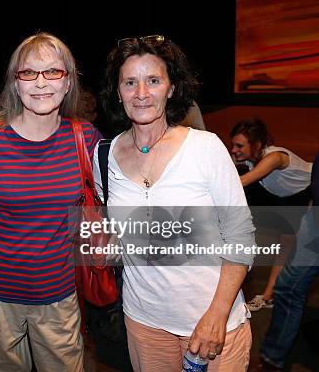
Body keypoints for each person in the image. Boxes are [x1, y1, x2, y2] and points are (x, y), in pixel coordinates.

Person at [97, 34, 255, 371]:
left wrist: (217, 315)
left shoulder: (205, 148)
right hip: (143, 324)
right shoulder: (104, 156)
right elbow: (117, 234)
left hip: (215, 322)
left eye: (153, 80)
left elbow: (241, 236)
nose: (141, 93)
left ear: (170, 88)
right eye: (130, 82)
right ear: (118, 91)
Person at [0, 32, 100, 372]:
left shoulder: (84, 138)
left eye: (53, 72)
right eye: (29, 73)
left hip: (59, 295)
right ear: (15, 82)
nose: (41, 83)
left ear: (68, 82)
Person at [230, 118, 313, 311]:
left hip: (312, 191)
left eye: (239, 145)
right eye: (233, 144)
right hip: (293, 199)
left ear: (257, 144)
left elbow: (243, 181)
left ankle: (281, 296)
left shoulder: (274, 157)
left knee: (306, 250)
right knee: (285, 245)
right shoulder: (250, 157)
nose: (234, 150)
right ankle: (269, 296)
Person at [259, 153, 318, 371]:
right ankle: (272, 358)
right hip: (313, 218)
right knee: (287, 288)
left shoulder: (274, 156)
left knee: (288, 287)